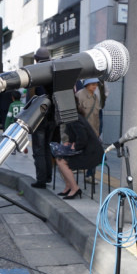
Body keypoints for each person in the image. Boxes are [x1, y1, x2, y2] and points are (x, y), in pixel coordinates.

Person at [53, 115, 103, 200]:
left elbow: (82, 138)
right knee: (59, 158)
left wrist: (75, 146)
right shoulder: (73, 117)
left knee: (61, 162)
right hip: (86, 151)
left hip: (91, 154)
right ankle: (69, 186)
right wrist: (70, 143)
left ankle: (74, 188)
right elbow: (75, 136)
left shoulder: (75, 118)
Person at [30, 46, 56, 189]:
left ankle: (41, 180)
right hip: (52, 117)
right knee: (46, 147)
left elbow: (35, 96)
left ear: (36, 59)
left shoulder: (37, 73)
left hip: (39, 117)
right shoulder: (54, 70)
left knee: (39, 149)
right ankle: (48, 176)